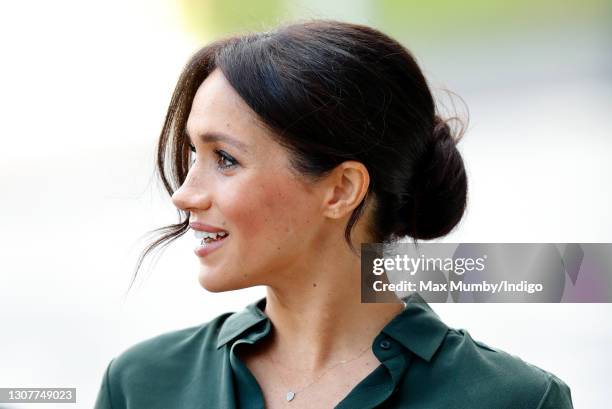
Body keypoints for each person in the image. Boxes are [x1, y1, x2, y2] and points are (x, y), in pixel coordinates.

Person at [93, 19, 573, 409]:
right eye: (193, 154)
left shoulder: (516, 401)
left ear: (341, 189)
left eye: (225, 159)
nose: (184, 194)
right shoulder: (141, 385)